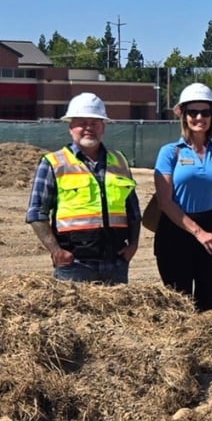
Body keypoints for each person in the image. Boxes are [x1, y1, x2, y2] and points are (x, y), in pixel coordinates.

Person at [26, 92, 140, 284]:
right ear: (71, 127)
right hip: (74, 264)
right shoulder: (54, 163)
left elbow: (133, 211)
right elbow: (36, 213)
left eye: (94, 123)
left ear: (103, 127)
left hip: (116, 262)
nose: (89, 128)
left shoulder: (119, 161)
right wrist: (56, 251)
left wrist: (133, 245)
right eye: (82, 123)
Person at [153, 83, 212, 312]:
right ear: (183, 116)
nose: (199, 117)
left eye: (205, 112)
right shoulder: (170, 152)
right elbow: (165, 202)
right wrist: (199, 233)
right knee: (179, 306)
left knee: (208, 306)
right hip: (175, 230)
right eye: (193, 112)